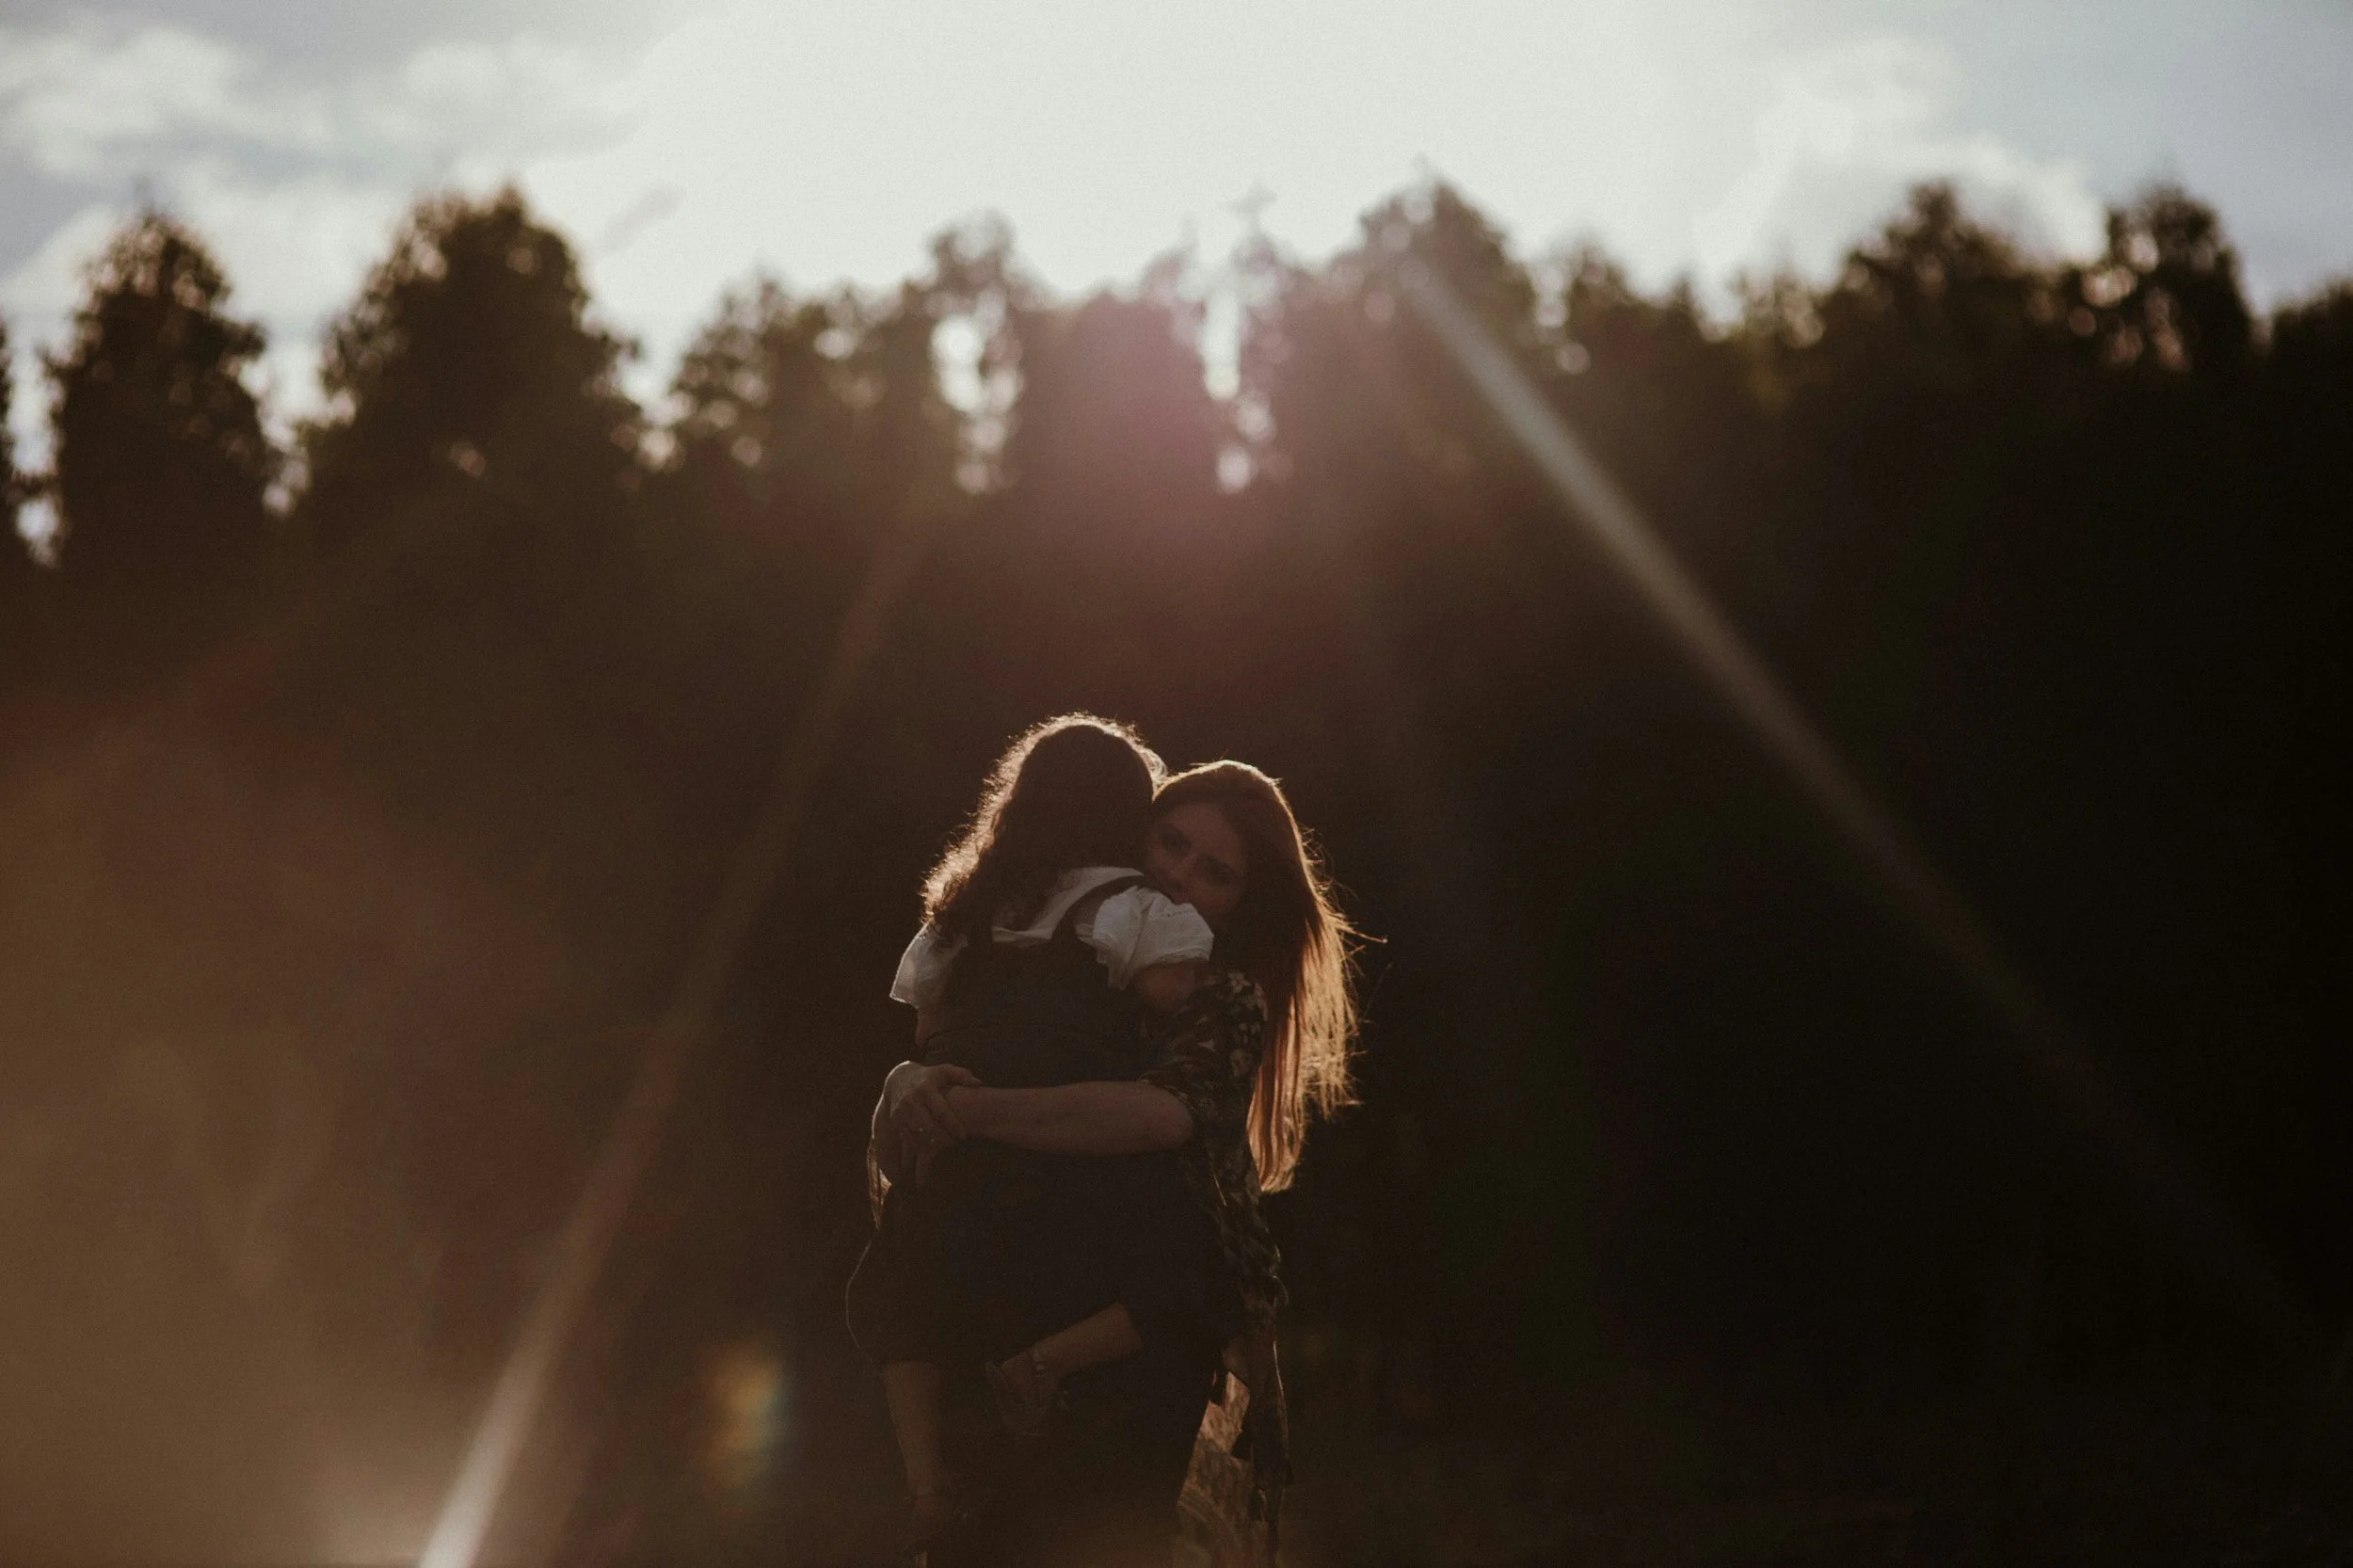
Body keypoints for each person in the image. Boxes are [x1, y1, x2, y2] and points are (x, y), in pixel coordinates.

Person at [877, 758, 1357, 1566]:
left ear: (1245, 904)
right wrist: (908, 1080)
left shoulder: (1220, 998)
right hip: (1000, 1297)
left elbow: (1164, 1119)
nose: (1177, 876)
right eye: (1169, 842)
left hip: (1125, 1342)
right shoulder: (1063, 950)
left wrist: (970, 1110)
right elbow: (957, 1043)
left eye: (1216, 873)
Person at [848, 715, 1225, 1553]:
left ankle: (925, 1482)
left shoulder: (965, 913)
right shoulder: (1130, 907)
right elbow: (1171, 996)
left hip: (948, 1173)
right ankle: (1047, 1372)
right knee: (1185, 1264)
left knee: (899, 1294)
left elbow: (928, 1037)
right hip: (1054, 1177)